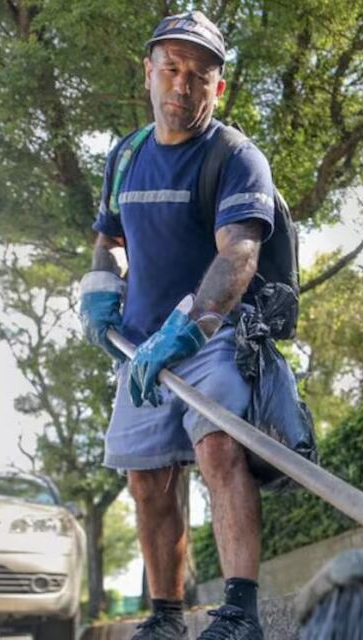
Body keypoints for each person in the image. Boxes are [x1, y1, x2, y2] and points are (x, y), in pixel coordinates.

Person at [78, 11, 274, 640]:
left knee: (218, 449)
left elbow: (239, 251)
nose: (182, 86)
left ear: (219, 88)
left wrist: (192, 324)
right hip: (138, 347)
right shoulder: (126, 155)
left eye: (199, 75)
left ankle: (240, 611)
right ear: (149, 72)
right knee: (147, 479)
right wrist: (101, 288)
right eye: (171, 68)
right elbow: (108, 238)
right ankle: (164, 617)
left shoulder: (235, 156)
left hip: (210, 340)